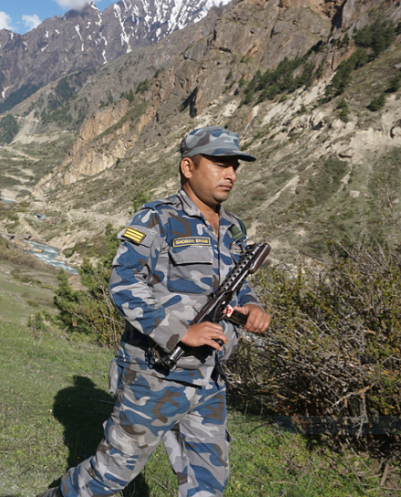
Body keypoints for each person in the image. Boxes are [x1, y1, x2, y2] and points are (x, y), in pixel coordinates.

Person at [37, 126, 271, 497]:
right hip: (155, 374)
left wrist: (253, 306)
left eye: (235, 166)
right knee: (110, 475)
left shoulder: (232, 229)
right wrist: (177, 332)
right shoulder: (156, 219)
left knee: (208, 482)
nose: (230, 173)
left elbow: (236, 282)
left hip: (209, 377)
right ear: (188, 167)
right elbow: (124, 281)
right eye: (220, 163)